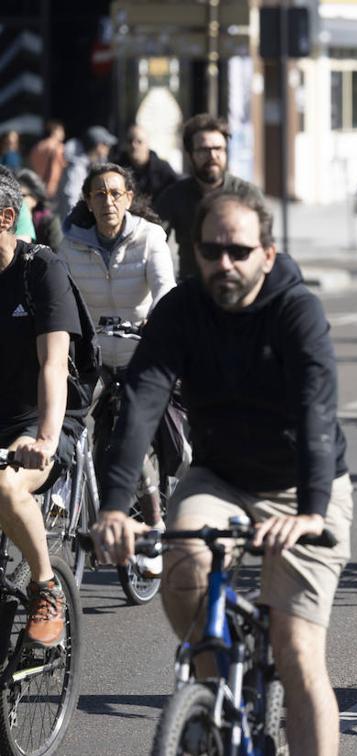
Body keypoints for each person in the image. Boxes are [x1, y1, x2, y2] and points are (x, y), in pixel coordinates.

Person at [92, 190, 352, 756]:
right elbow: (143, 401)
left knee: (296, 649)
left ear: (267, 253)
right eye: (212, 251)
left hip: (302, 489)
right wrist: (116, 508)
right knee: (182, 568)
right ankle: (213, 700)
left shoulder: (296, 311)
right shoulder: (181, 311)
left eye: (240, 251)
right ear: (196, 253)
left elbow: (319, 415)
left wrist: (312, 513)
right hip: (222, 478)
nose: (225, 263)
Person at [59, 163, 176, 539]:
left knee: (132, 436)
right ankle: (61, 501)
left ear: (128, 198)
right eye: (99, 194)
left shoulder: (150, 237)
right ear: (88, 202)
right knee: (62, 423)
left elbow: (165, 292)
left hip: (136, 356)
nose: (107, 201)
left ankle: (155, 523)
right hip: (91, 359)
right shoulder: (70, 244)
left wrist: (155, 324)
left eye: (115, 193)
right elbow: (58, 298)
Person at [0, 165, 85, 647]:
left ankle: (45, 586)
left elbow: (53, 365)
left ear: (5, 217)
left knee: (7, 488)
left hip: (41, 421)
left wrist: (46, 440)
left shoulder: (41, 270)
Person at [154, 113, 264, 282]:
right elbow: (153, 242)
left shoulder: (247, 194)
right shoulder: (174, 196)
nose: (213, 156)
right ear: (190, 155)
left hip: (238, 287)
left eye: (219, 149)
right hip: (192, 291)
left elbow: (264, 246)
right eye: (204, 150)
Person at [56, 126, 115, 219]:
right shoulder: (76, 169)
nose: (109, 148)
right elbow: (71, 200)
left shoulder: (96, 164)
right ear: (99, 146)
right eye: (106, 144)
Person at [113, 123, 179, 201]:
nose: (133, 145)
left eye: (139, 141)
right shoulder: (117, 169)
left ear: (147, 144)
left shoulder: (163, 169)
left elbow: (176, 193)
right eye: (130, 141)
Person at [16, 169, 63, 251]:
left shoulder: (49, 223)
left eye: (22, 195)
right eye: (14, 195)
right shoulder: (7, 222)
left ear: (35, 198)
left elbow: (58, 256)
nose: (16, 199)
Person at [28, 120, 66, 199]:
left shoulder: (38, 147)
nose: (63, 133)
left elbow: (31, 165)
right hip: (51, 188)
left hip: (36, 185)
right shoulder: (58, 147)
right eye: (62, 130)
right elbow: (55, 169)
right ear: (55, 131)